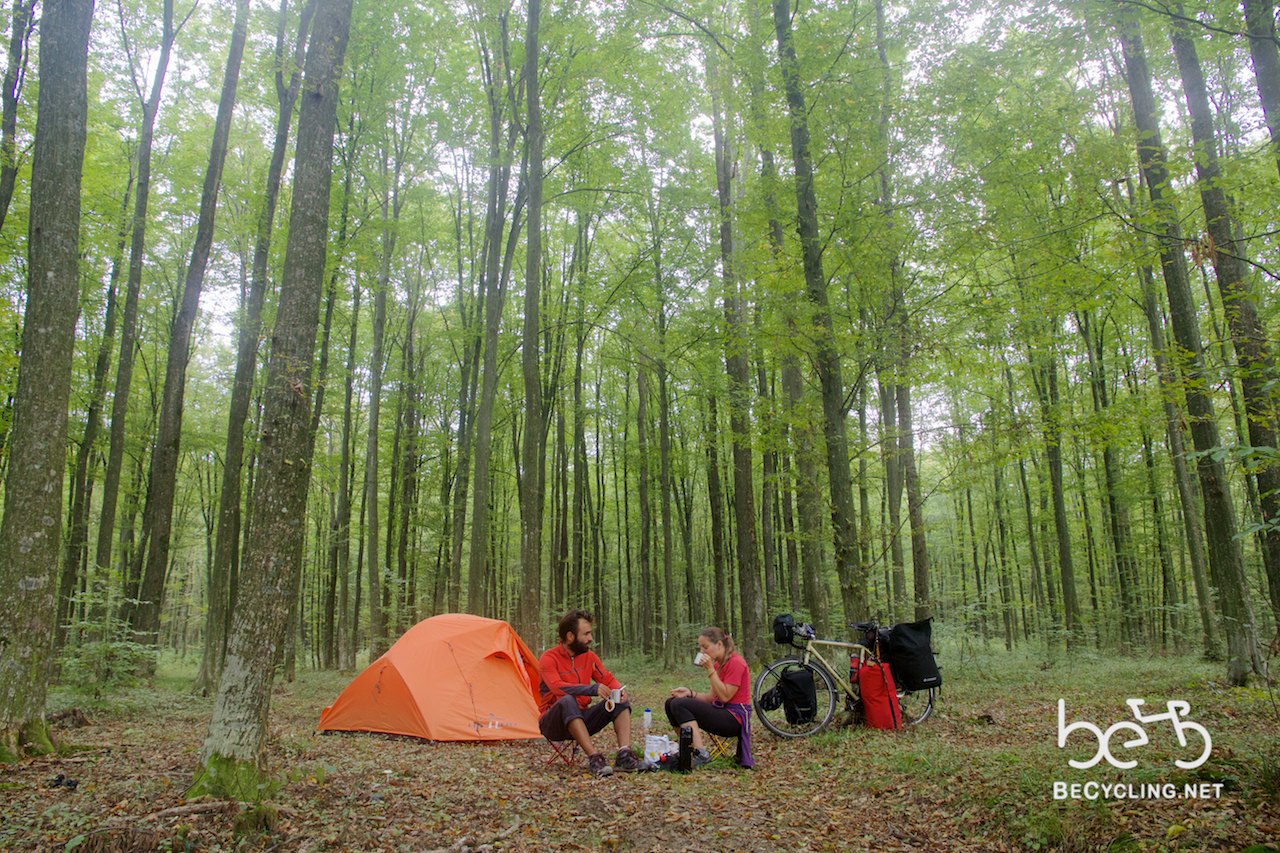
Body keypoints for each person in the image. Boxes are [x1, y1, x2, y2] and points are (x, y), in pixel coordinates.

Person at [538, 609, 646, 776]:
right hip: (553, 723)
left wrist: (618, 690)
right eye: (586, 634)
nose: (590, 639)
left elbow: (607, 679)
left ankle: (624, 755)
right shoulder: (549, 658)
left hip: (581, 719)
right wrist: (591, 689)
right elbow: (556, 687)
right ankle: (594, 758)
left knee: (619, 699)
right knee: (567, 700)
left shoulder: (589, 657)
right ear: (570, 636)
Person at [665, 627, 755, 768]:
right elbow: (713, 698)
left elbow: (725, 696)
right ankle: (686, 747)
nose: (702, 651)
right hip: (722, 712)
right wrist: (690, 693)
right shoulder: (719, 664)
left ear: (719, 644)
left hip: (734, 719)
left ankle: (701, 754)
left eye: (705, 647)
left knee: (679, 705)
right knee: (671, 703)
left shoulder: (736, 663)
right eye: (700, 647)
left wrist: (710, 669)